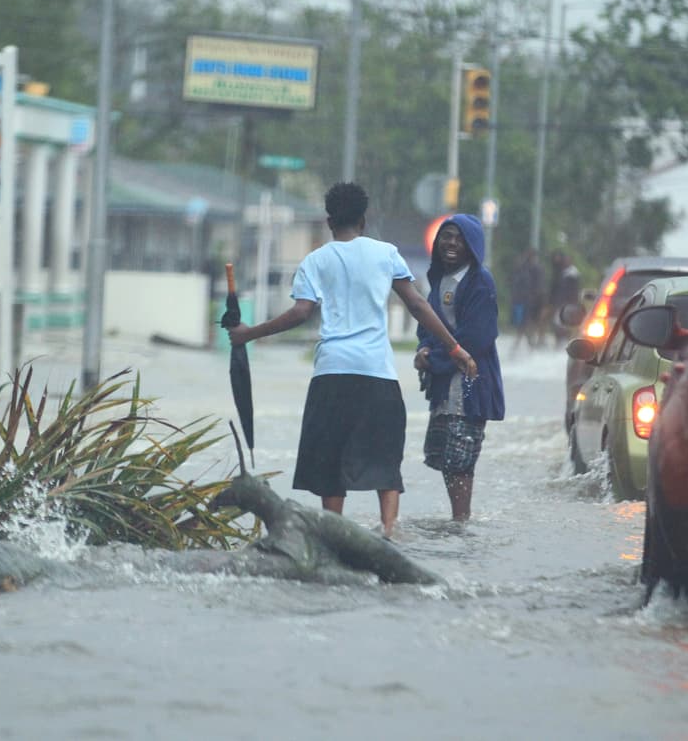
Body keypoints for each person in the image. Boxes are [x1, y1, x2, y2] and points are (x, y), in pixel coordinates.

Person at [225, 183, 476, 537]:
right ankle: (389, 531)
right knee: (385, 459)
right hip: (378, 374)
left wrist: (249, 334)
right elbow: (418, 305)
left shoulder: (315, 260)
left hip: (332, 374)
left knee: (330, 462)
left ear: (329, 221)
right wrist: (455, 348)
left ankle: (336, 532)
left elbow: (300, 313)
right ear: (363, 218)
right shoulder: (386, 253)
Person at [414, 215, 505, 521]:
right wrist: (423, 348)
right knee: (445, 454)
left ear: (472, 246)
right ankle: (458, 520)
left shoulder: (480, 282)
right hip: (443, 382)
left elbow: (478, 336)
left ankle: (461, 523)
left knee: (462, 456)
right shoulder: (439, 281)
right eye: (446, 237)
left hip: (470, 382)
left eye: (458, 238)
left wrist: (436, 359)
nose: (451, 243)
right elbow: (427, 324)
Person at [508, 247, 546, 351]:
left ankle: (529, 345)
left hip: (532, 301)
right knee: (523, 324)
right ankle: (529, 345)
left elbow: (539, 287)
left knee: (530, 324)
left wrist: (538, 301)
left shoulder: (537, 269)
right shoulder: (522, 269)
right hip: (523, 301)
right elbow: (515, 285)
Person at [546, 249, 582, 345]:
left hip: (569, 302)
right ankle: (559, 342)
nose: (566, 261)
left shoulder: (573, 273)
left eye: (568, 259)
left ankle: (566, 342)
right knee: (558, 321)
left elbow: (574, 290)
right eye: (565, 259)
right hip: (561, 301)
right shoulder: (563, 272)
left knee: (566, 322)